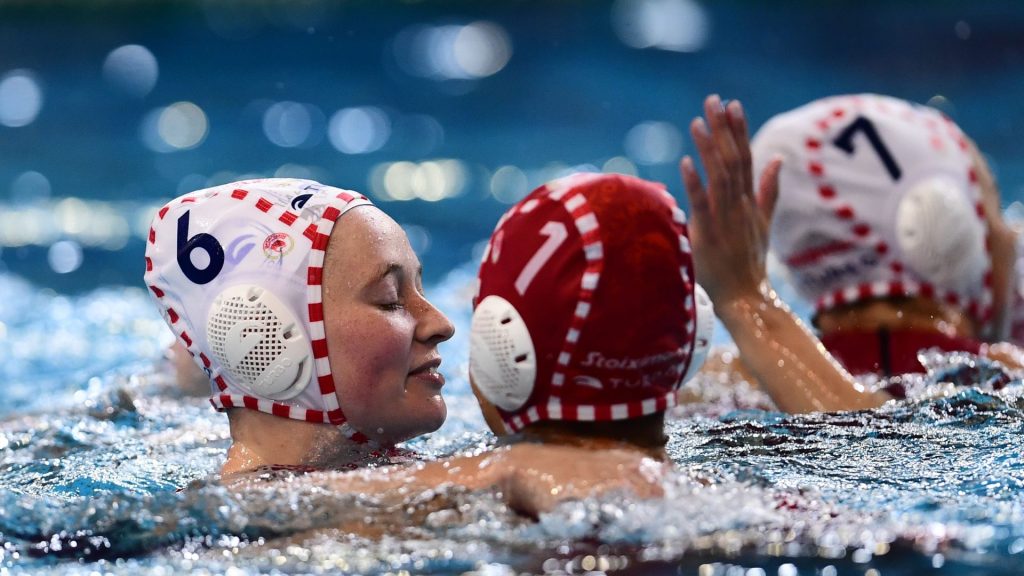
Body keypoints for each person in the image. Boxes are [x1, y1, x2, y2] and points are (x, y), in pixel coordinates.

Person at [291, 95, 887, 518]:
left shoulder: (462, 495)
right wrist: (748, 297)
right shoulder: (770, 509)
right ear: (692, 345)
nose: (443, 325)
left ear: (504, 350)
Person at [145, 178, 455, 476]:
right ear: (270, 338)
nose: (442, 324)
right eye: (390, 299)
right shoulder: (259, 514)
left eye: (420, 290)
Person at [749, 94, 1024, 385]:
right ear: (949, 231)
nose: (1008, 237)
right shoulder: (1004, 375)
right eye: (994, 209)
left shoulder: (744, 379)